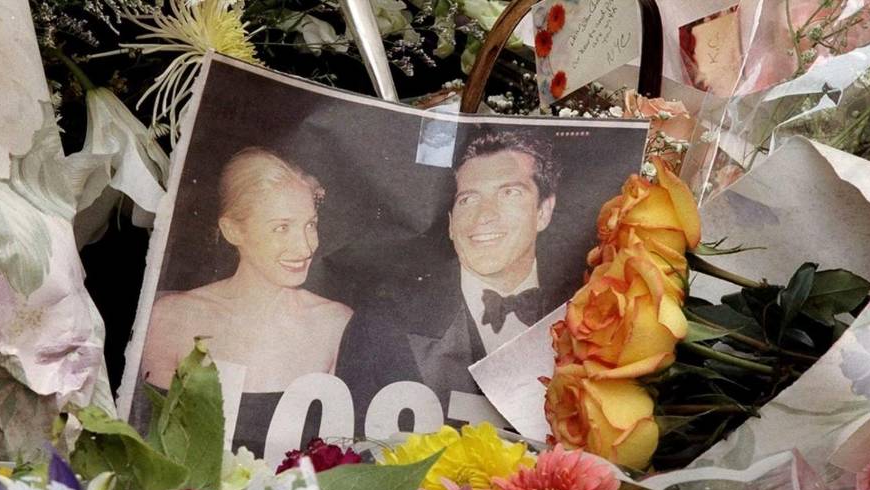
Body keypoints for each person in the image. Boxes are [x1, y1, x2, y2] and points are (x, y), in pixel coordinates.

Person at [337, 128, 562, 433]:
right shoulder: (381, 324)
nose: (485, 215)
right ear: (451, 224)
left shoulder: (587, 311)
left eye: (509, 193)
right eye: (468, 199)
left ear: (544, 211)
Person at [141, 147, 354, 394]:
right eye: (282, 228)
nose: (305, 247)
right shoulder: (172, 317)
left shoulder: (335, 323)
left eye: (310, 225)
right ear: (233, 231)